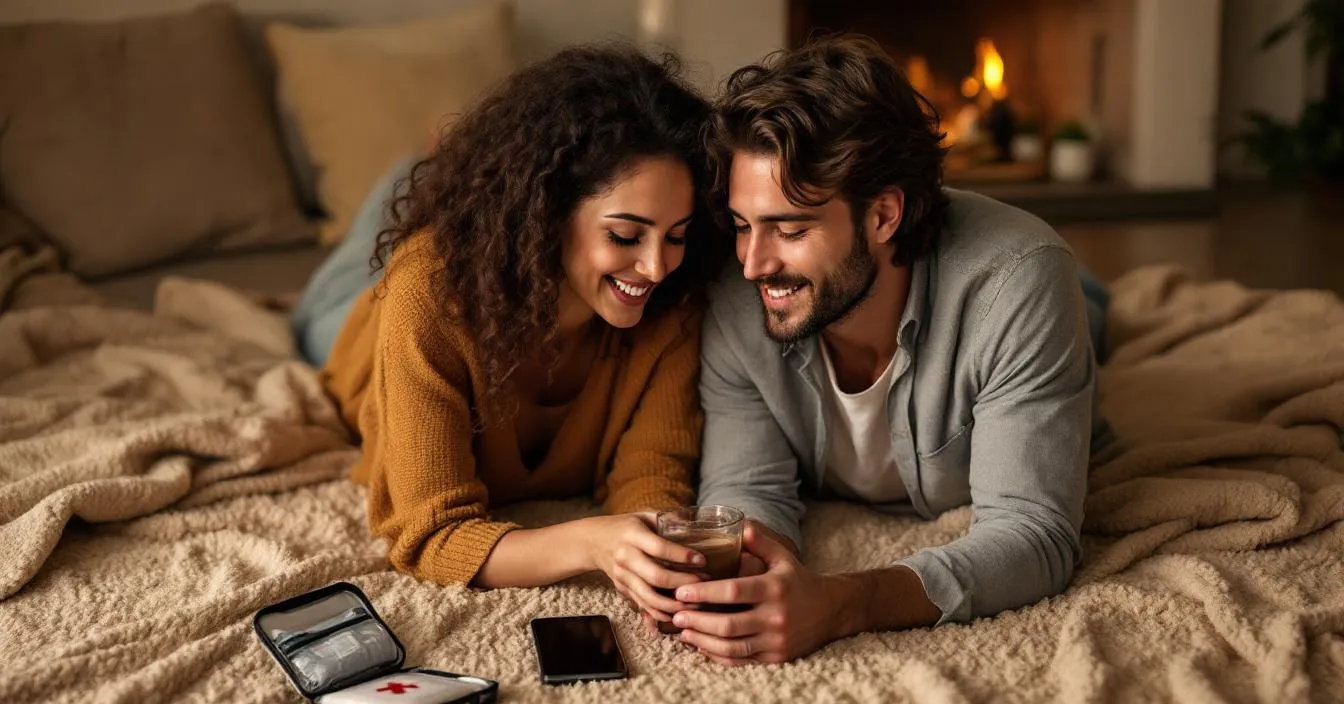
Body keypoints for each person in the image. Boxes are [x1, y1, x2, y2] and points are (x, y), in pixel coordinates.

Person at [664, 36, 1114, 665]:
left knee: (1089, 312)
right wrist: (751, 578)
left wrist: (847, 602)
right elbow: (748, 485)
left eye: (791, 229)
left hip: (1024, 293)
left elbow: (1035, 534)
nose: (753, 263)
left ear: (882, 216)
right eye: (743, 225)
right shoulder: (739, 292)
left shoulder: (1017, 282)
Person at [295, 46, 727, 622]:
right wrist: (592, 543)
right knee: (346, 280)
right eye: (626, 235)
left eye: (676, 234)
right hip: (354, 329)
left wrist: (649, 553)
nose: (656, 266)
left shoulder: (672, 303)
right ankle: (419, 162)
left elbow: (652, 473)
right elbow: (431, 536)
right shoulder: (425, 296)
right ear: (546, 213)